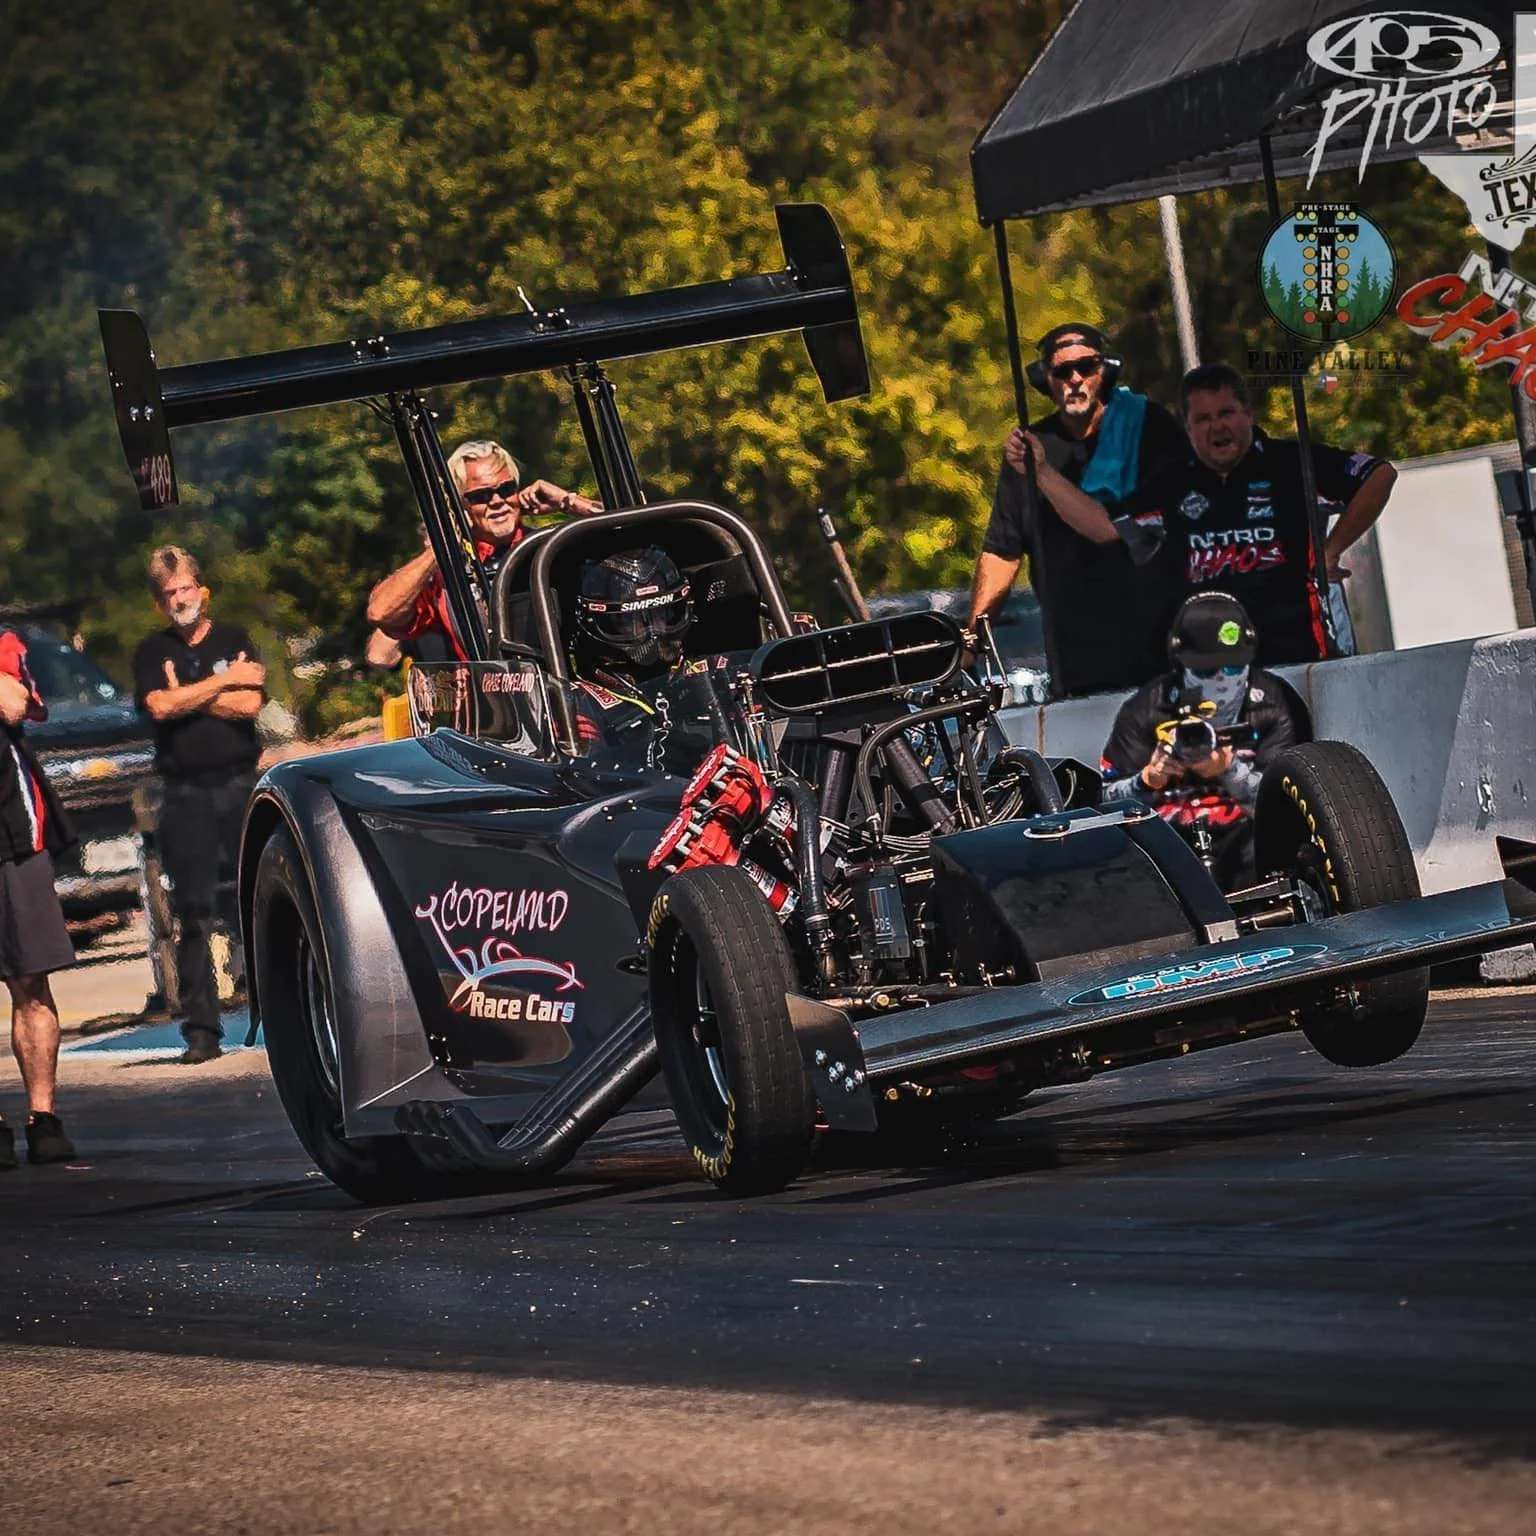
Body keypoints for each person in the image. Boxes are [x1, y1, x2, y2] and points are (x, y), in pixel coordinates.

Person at [1017, 362, 1398, 668]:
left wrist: (1330, 551)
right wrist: (1044, 473)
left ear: (1247, 414)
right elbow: (1103, 527)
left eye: (1227, 413)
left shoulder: (1292, 464)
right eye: (1203, 419)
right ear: (1188, 428)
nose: (1217, 426)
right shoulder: (1174, 483)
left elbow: (1379, 474)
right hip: (1219, 671)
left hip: (1309, 658)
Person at [967, 322, 1188, 696]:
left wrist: (1042, 473)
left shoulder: (1148, 428)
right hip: (1073, 649)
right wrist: (971, 639)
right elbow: (1003, 550)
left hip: (1158, 641)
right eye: (1061, 370)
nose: (1075, 378)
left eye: (1086, 367)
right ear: (1045, 380)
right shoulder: (1031, 446)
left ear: (1107, 371)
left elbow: (1108, 529)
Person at [132, 548, 265, 1064]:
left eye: (186, 589)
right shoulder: (151, 652)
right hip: (184, 793)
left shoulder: (234, 638)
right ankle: (203, 1030)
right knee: (193, 912)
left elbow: (250, 700)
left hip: (239, 783)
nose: (180, 600)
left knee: (252, 899)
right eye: (169, 594)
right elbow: (159, 706)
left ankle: (272, 1005)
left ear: (201, 589)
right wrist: (220, 683)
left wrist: (188, 694)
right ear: (158, 602)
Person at [1100, 593, 1304, 888]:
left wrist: (1229, 770)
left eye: (1233, 667)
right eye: (1206, 671)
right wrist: (1148, 780)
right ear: (1179, 663)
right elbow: (1104, 803)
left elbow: (1293, 802)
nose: (1221, 680)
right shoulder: (1145, 709)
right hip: (1168, 849)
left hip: (1250, 846)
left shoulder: (1273, 704)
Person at [367, 439, 602, 656]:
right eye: (481, 495)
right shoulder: (448, 573)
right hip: (491, 696)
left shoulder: (551, 545)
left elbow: (633, 549)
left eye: (506, 489)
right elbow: (381, 612)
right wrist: (442, 544)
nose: (497, 501)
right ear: (460, 505)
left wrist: (571, 503)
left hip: (563, 691)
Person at [0, 626, 77, 1168]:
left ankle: (43, 1116)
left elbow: (12, 704)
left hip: (10, 830)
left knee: (30, 979)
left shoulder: (4, 642)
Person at [569, 546, 699, 758]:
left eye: (660, 613)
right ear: (599, 620)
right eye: (629, 621)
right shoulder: (580, 701)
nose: (651, 631)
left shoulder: (705, 673)